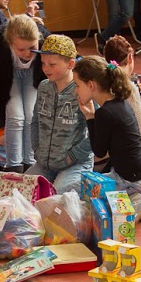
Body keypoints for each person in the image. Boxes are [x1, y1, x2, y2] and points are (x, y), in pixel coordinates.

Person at [75, 55, 141, 190]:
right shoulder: (121, 102)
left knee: (79, 191)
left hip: (131, 180)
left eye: (77, 85)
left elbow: (99, 152)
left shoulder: (104, 112)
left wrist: (90, 118)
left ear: (91, 85)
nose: (75, 91)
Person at [27, 34, 93, 194]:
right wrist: (37, 149)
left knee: (59, 194)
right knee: (24, 189)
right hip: (45, 163)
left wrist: (73, 156)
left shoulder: (82, 90)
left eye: (52, 64)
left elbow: (97, 133)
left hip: (74, 164)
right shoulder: (43, 87)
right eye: (43, 63)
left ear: (71, 64)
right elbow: (35, 121)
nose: (45, 68)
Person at [0, 15, 45, 172]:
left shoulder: (45, 38)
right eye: (21, 49)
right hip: (10, 75)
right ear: (10, 44)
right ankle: (14, 165)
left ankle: (30, 162)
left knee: (30, 115)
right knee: (15, 116)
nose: (28, 53)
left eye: (32, 47)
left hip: (32, 75)